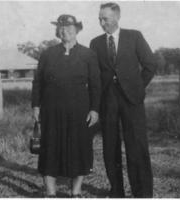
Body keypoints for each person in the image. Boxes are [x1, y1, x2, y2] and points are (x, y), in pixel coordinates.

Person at [90, 2, 157, 198]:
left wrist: (137, 87)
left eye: (106, 19)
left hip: (132, 99)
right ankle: (116, 191)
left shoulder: (134, 36)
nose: (102, 23)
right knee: (110, 147)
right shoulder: (95, 42)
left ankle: (143, 193)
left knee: (137, 145)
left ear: (117, 17)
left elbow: (150, 64)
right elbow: (94, 75)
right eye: (100, 19)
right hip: (107, 100)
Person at [32, 14, 101, 197]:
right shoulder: (47, 54)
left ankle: (76, 191)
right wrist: (36, 106)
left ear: (77, 30)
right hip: (51, 110)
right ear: (57, 31)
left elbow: (96, 84)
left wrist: (94, 109)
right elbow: (38, 82)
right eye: (61, 28)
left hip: (80, 110)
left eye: (69, 28)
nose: (65, 31)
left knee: (80, 149)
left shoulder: (88, 54)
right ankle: (50, 192)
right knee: (50, 149)